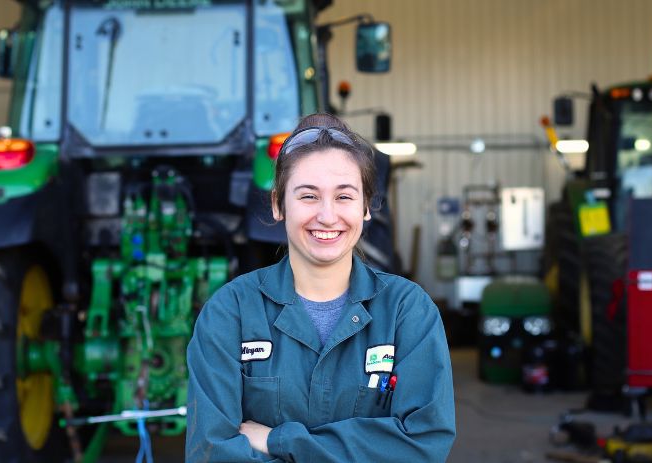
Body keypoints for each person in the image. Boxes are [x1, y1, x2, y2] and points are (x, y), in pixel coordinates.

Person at [185, 113, 456, 462]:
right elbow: (211, 453)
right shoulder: (231, 312)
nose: (327, 216)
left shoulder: (407, 311)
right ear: (278, 205)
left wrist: (281, 441)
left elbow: (423, 445)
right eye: (309, 196)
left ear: (365, 206)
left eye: (344, 197)